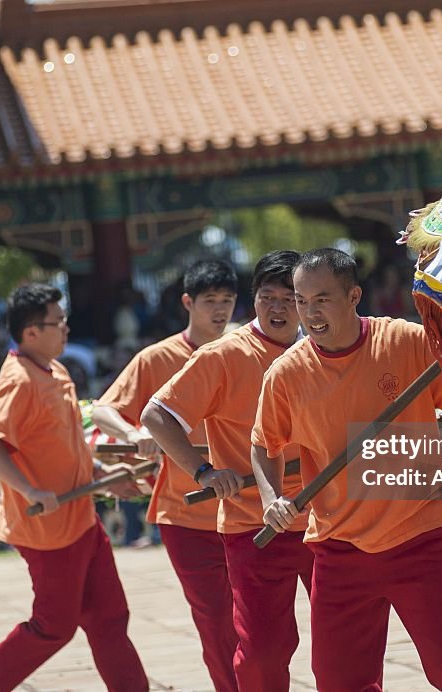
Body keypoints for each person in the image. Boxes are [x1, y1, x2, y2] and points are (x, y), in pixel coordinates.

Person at [251, 249, 442, 691]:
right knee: (340, 683)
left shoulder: (406, 341)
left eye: (321, 299)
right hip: (339, 548)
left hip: (420, 537)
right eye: (301, 300)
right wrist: (272, 499)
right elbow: (264, 446)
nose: (309, 312)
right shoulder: (286, 375)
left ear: (354, 295)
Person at [0, 283, 147, 692]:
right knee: (53, 627)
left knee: (109, 616)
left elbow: (63, 444)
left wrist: (99, 474)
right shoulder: (19, 379)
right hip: (49, 531)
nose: (66, 330)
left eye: (64, 321)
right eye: (57, 323)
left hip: (80, 518)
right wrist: (28, 490)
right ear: (31, 332)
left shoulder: (54, 368)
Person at [143, 250, 313, 690]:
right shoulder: (224, 354)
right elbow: (157, 415)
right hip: (252, 523)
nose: (278, 308)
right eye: (267, 297)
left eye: (288, 299)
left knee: (349, 640)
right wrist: (203, 472)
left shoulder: (324, 348)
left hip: (325, 520)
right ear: (252, 300)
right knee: (262, 651)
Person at [92, 260, 240, 692]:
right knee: (214, 620)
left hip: (246, 507)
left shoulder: (247, 350)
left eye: (227, 301)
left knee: (258, 620)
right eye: (210, 301)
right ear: (187, 303)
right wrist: (134, 432)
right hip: (186, 513)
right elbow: (104, 408)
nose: (219, 310)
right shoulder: (156, 358)